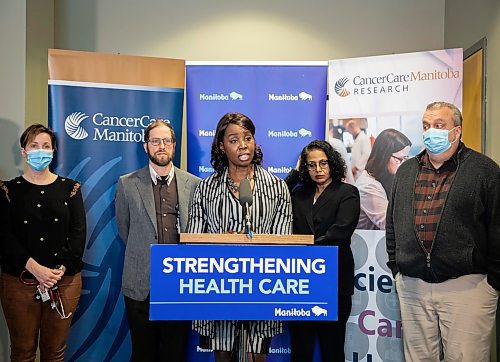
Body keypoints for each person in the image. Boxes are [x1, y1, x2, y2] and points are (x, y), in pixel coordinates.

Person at [386, 102, 500, 361]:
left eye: (439, 126)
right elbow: (392, 223)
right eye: (426, 126)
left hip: (468, 287)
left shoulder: (484, 170)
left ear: (456, 131)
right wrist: (397, 267)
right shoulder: (406, 171)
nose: (430, 132)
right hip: (413, 285)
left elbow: (497, 227)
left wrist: (493, 283)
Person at [188, 112, 292, 362]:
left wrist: (252, 243)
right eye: (234, 140)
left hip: (263, 289)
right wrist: (221, 242)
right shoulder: (205, 188)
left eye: (248, 137)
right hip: (217, 289)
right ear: (222, 147)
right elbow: (193, 241)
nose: (243, 145)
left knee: (257, 356)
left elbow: (283, 240)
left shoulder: (277, 188)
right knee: (223, 356)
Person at [115, 120, 200, 362]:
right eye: (155, 141)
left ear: (174, 145)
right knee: (143, 354)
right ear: (146, 146)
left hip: (179, 286)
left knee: (175, 353)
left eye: (166, 141)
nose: (161, 146)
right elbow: (125, 230)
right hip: (141, 284)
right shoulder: (127, 183)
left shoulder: (193, 185)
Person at [0, 124, 86, 361]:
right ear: (24, 151)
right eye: (34, 146)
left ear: (54, 150)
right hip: (19, 281)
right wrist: (35, 269)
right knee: (22, 351)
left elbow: (78, 234)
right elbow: (5, 236)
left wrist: (56, 272)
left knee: (55, 351)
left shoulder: (71, 188)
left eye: (46, 146)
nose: (40, 151)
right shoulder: (8, 190)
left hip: (64, 282)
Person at [285, 140, 360, 362]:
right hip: (301, 283)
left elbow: (341, 231)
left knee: (333, 349)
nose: (318, 169)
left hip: (333, 282)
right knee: (300, 349)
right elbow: (277, 194)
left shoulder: (347, 192)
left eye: (323, 163)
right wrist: (296, 173)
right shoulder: (299, 194)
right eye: (311, 165)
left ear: (332, 163)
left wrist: (305, 247)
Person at [355, 129, 411, 230]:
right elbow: (389, 224)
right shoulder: (368, 186)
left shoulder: (386, 177)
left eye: (406, 159)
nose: (403, 164)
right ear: (384, 155)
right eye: (399, 159)